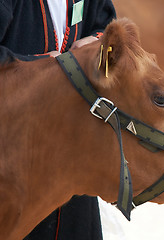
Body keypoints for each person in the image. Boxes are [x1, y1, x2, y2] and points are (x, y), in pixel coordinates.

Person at [0, 0, 116, 239]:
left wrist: (97, 43)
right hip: (14, 151)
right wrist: (39, 66)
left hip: (72, 148)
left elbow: (108, 29)